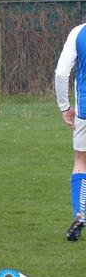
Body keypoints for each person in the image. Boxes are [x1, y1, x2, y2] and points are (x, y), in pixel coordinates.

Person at [55, 22, 86, 241]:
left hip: (85, 111)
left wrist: (64, 106)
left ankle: (80, 212)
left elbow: (61, 73)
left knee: (81, 162)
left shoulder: (78, 32)